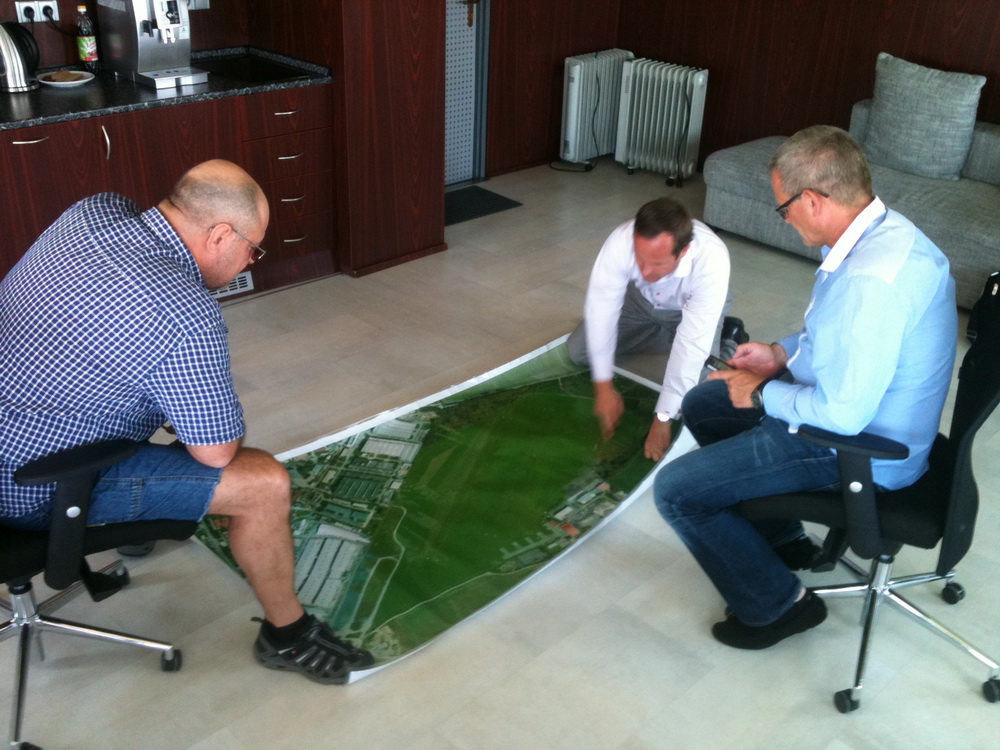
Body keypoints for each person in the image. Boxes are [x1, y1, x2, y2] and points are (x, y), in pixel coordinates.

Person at [0, 160, 372, 684]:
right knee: (262, 483)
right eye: (253, 248)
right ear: (219, 235)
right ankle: (287, 636)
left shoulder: (94, 211)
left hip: (18, 410)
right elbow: (216, 451)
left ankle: (131, 532)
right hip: (29, 484)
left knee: (148, 393)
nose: (250, 261)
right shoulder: (183, 312)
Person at [653, 126, 958, 649]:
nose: (785, 218)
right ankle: (784, 540)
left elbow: (841, 415)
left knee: (677, 493)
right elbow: (839, 338)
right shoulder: (889, 233)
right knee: (706, 403)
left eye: (784, 208)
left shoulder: (869, 282)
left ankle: (779, 607)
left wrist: (761, 392)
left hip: (859, 449)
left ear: (813, 200)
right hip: (878, 417)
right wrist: (779, 354)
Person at [567, 196, 741, 462]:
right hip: (639, 301)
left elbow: (692, 346)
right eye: (640, 259)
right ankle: (666, 334)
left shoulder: (711, 260)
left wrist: (663, 418)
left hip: (689, 308)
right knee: (579, 351)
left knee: (701, 389)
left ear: (682, 252)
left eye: (658, 263)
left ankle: (729, 337)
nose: (646, 272)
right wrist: (603, 386)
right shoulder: (621, 240)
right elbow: (602, 311)